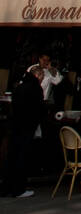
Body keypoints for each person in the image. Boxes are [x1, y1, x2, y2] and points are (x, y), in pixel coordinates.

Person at [1, 65, 44, 198]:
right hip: (27, 127)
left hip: (15, 126)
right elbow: (38, 109)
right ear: (38, 76)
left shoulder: (19, 87)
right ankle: (18, 189)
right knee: (22, 157)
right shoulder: (36, 88)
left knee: (12, 156)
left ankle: (6, 187)